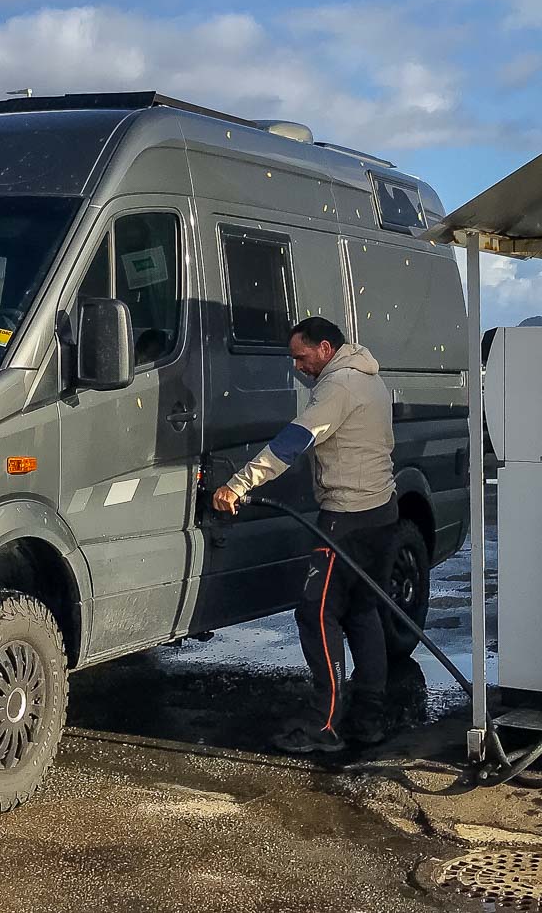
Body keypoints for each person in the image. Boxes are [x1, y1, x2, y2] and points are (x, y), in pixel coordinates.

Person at [213, 316, 399, 754]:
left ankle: (325, 722)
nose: (296, 366)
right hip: (382, 513)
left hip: (348, 518)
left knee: (317, 614)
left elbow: (293, 441)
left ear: (326, 348)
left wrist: (238, 484)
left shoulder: (339, 388)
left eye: (301, 356)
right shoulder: (371, 379)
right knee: (362, 611)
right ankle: (370, 717)